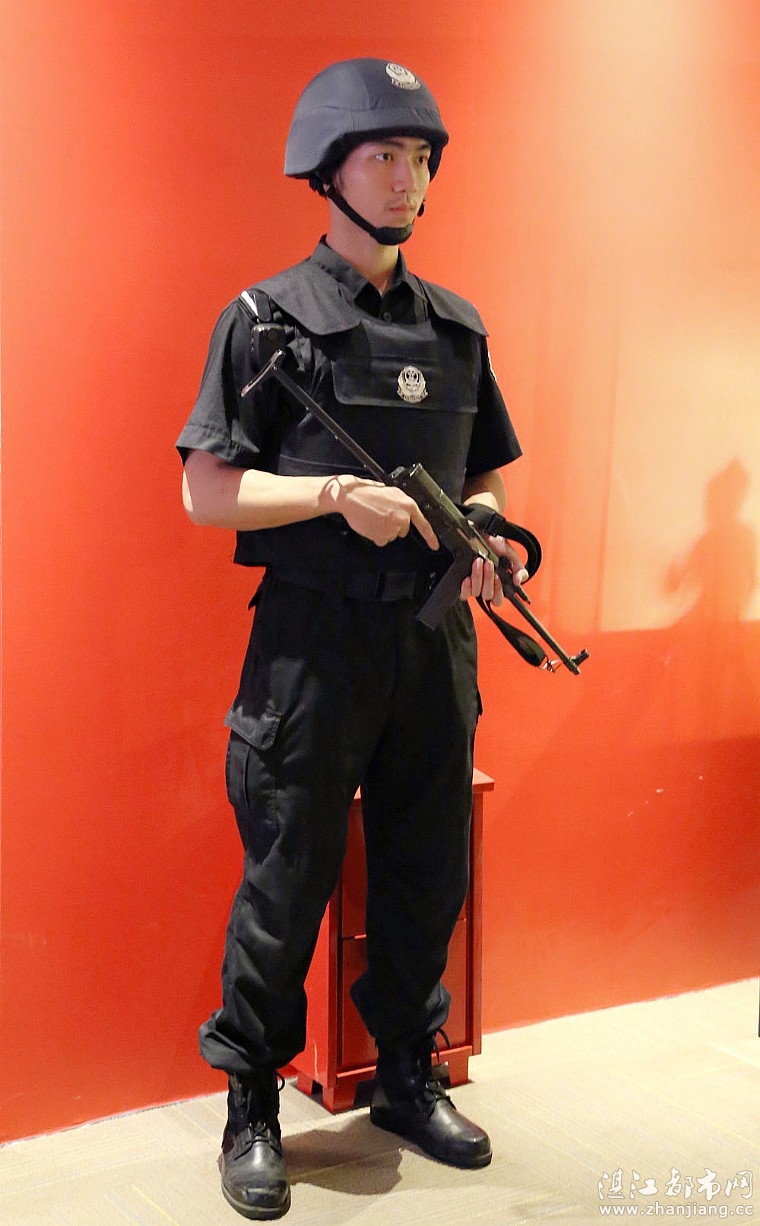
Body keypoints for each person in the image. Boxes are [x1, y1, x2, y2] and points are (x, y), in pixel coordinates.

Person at [177, 57, 526, 1221]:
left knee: (428, 868)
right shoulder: (264, 319)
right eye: (383, 155)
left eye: (420, 157)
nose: (406, 178)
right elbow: (206, 491)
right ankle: (252, 1103)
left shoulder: (455, 326)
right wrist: (331, 494)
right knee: (288, 874)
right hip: (313, 645)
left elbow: (483, 475)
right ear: (327, 171)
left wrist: (489, 535)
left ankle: (407, 1075)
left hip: (430, 643)